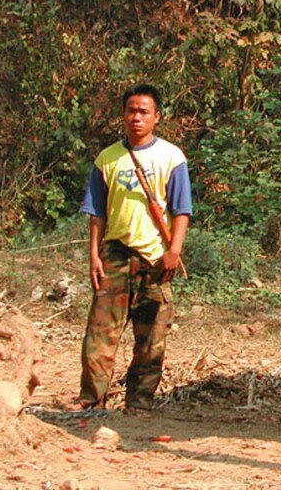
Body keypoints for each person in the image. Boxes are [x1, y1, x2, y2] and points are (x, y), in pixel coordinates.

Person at [73, 83, 192, 411]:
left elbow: (182, 210)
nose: (136, 117)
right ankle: (90, 400)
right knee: (100, 333)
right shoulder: (107, 159)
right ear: (122, 115)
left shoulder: (171, 157)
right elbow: (97, 213)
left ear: (157, 116)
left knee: (152, 336)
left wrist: (174, 251)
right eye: (131, 111)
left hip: (155, 258)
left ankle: (138, 403)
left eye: (143, 112)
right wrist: (94, 256)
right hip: (114, 256)